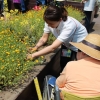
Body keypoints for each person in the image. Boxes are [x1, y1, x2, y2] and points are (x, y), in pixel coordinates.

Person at [27, 2, 88, 70]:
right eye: (47, 23)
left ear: (60, 20)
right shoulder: (49, 21)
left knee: (78, 65)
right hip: (67, 45)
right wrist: (36, 47)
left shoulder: (69, 25)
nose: (48, 25)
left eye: (51, 24)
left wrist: (33, 55)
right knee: (64, 62)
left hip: (79, 46)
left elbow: (53, 48)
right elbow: (44, 38)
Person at [56, 33, 100, 99]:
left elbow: (58, 84)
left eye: (78, 50)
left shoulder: (71, 65)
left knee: (51, 80)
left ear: (83, 53)